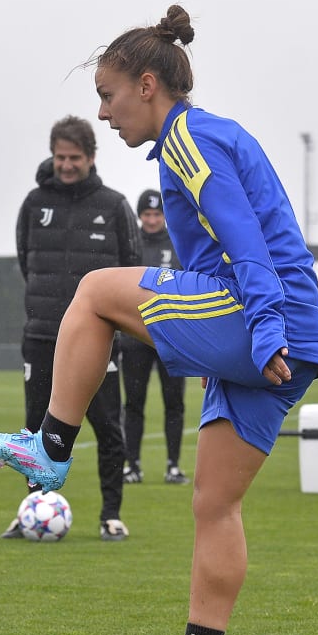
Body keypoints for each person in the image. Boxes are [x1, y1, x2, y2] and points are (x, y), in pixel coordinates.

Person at [0, 6, 318, 635]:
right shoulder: (197, 139)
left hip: (263, 316)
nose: (104, 114)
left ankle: (50, 447)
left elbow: (244, 238)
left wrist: (261, 329)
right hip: (294, 335)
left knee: (95, 292)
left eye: (107, 96)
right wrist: (228, 341)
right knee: (214, 504)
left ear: (145, 85)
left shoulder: (190, 137)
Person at [4, 114, 142, 542]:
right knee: (35, 430)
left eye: (74, 157)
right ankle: (34, 513)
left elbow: (132, 269)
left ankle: (111, 515)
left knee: (108, 428)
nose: (66, 165)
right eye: (60, 157)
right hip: (43, 334)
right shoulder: (32, 204)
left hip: (98, 341)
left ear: (92, 157)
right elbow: (27, 262)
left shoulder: (115, 205)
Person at [120, 188, 189, 486]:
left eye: (156, 214)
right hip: (135, 338)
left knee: (174, 403)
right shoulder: (129, 244)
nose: (151, 220)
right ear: (139, 216)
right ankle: (131, 465)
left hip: (171, 338)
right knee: (133, 404)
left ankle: (173, 466)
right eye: (146, 214)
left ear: (164, 215)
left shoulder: (178, 243)